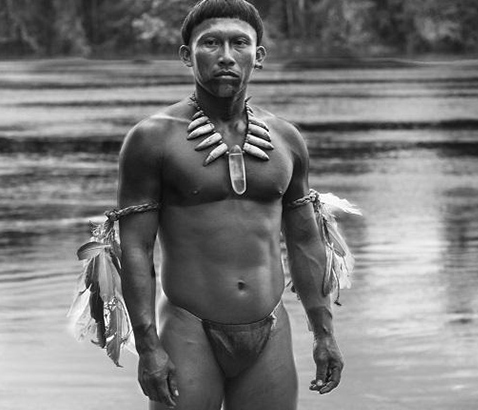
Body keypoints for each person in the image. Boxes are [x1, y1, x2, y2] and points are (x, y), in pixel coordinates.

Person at [116, 1, 344, 408]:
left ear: (259, 55)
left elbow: (306, 241)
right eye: (210, 43)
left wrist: (324, 334)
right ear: (187, 55)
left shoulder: (286, 139)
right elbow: (135, 248)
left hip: (270, 328)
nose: (225, 55)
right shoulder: (152, 139)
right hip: (188, 327)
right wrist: (148, 346)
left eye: (239, 43)